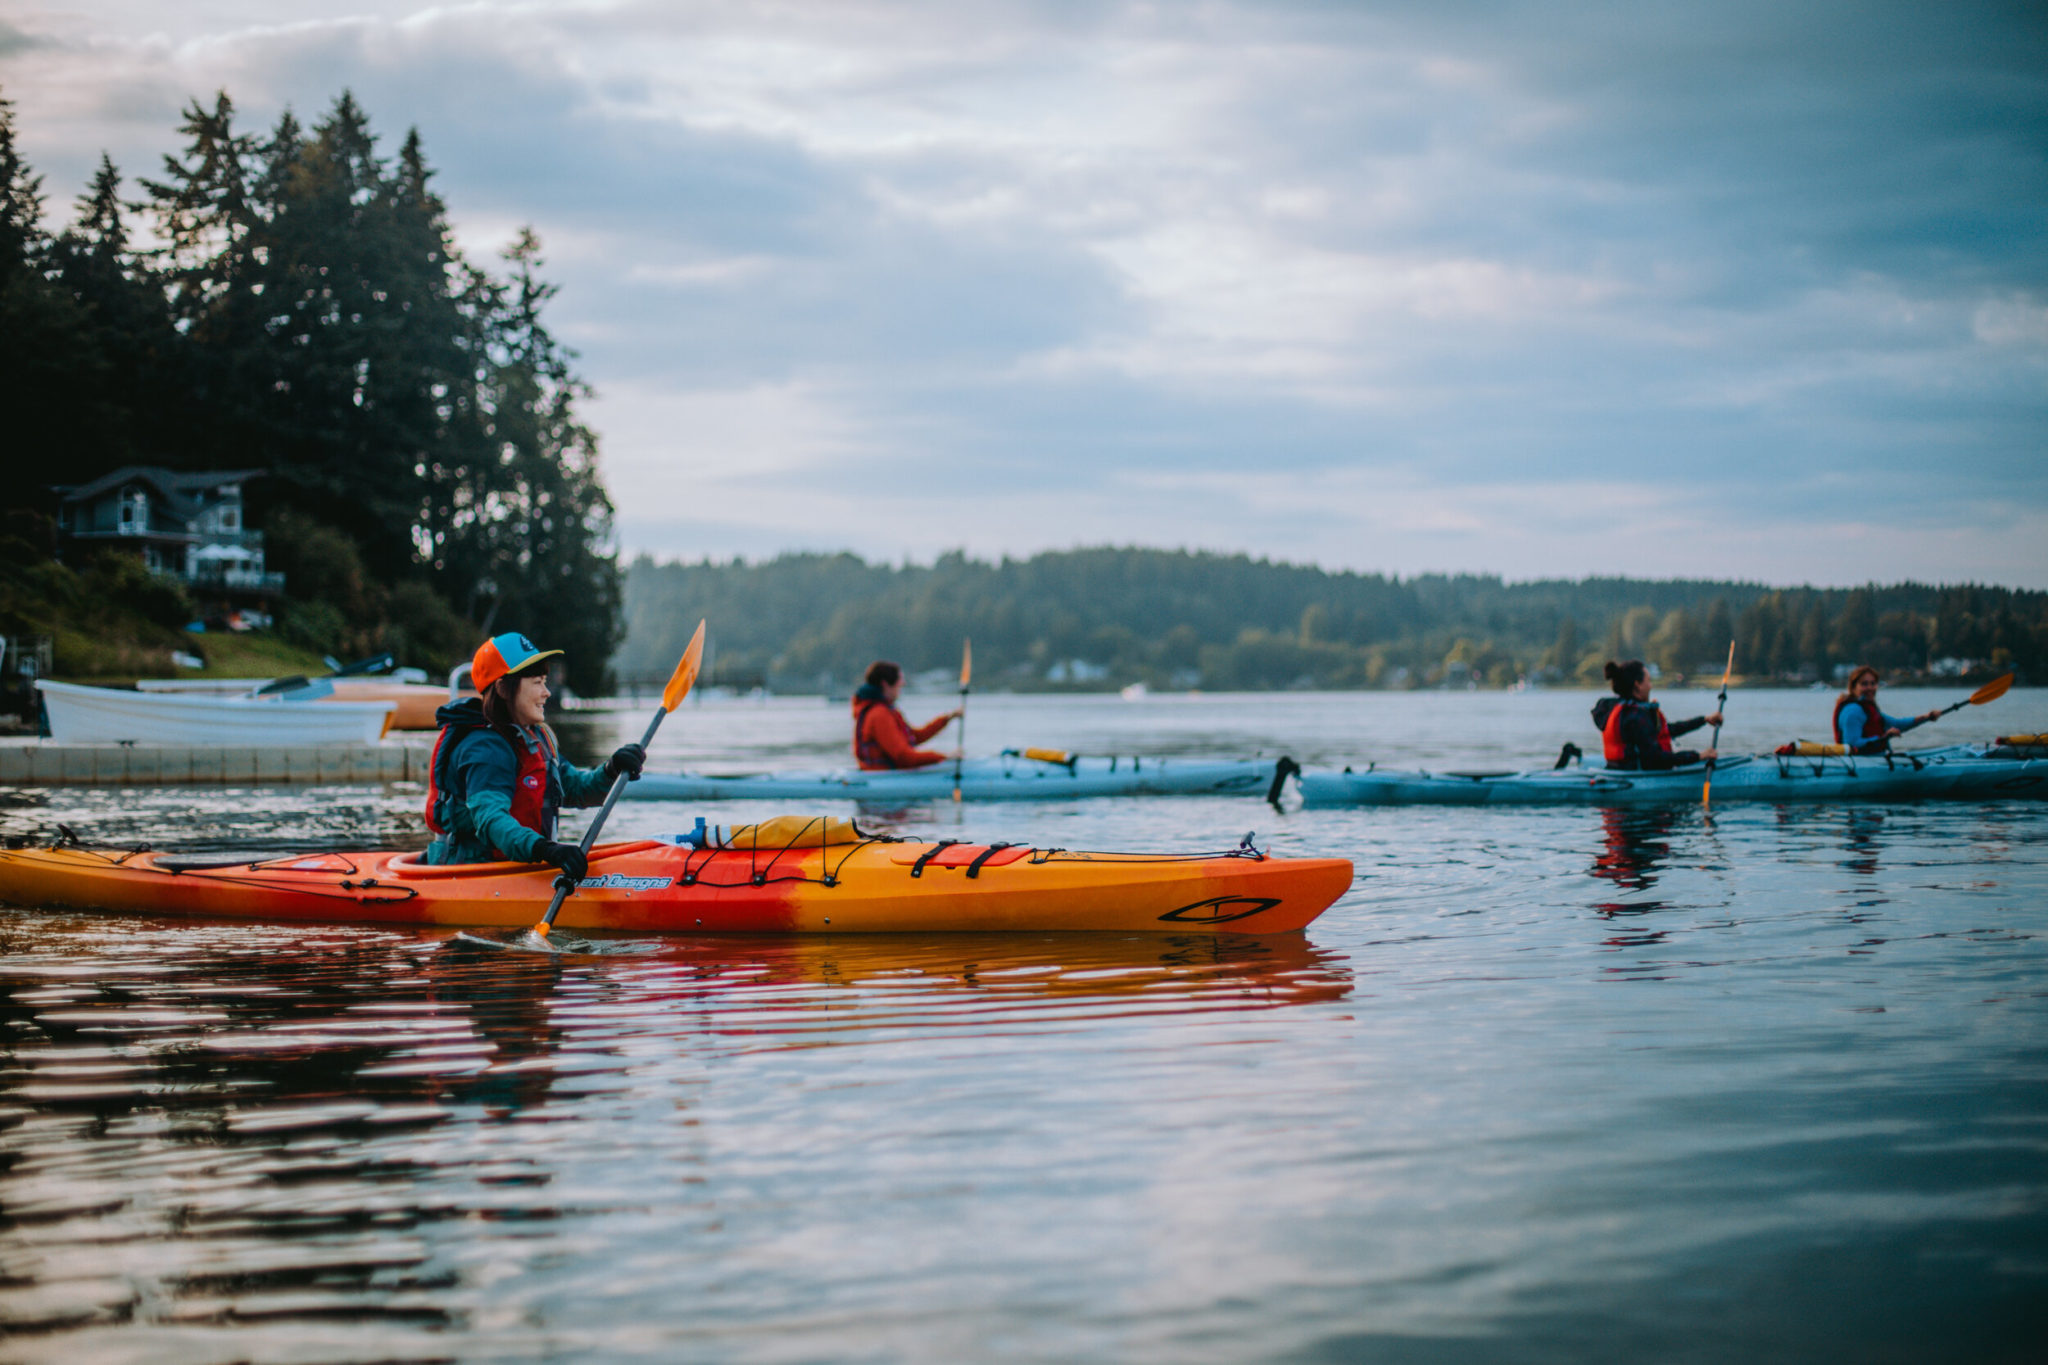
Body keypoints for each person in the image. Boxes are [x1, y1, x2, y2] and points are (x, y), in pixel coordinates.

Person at [423, 632, 647, 872]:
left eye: (545, 681)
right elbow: (490, 820)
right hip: (475, 875)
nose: (547, 692)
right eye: (537, 682)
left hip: (522, 865)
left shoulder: (536, 738)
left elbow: (577, 789)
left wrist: (611, 770)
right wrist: (547, 850)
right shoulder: (485, 748)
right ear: (503, 688)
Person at [1590, 659, 1722, 771]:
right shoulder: (1635, 716)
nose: (1650, 686)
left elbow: (1665, 731)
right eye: (1648, 680)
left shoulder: (1616, 708)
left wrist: (1703, 720)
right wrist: (1698, 756)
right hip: (1638, 777)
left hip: (1616, 770)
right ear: (1638, 685)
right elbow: (1657, 759)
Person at [851, 660, 962, 770]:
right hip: (882, 778)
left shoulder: (886, 710)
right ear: (885, 684)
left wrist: (947, 718)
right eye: (899, 681)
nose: (903, 683)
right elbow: (903, 757)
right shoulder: (879, 715)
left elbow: (915, 737)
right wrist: (945, 757)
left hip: (887, 776)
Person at [1833, 665, 1939, 754]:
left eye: (1873, 683)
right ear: (1853, 687)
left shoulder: (1866, 708)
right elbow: (1852, 744)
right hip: (1861, 764)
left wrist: (1927, 717)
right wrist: (1884, 737)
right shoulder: (1853, 711)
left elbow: (1896, 724)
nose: (1870, 688)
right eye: (1864, 684)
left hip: (1875, 759)